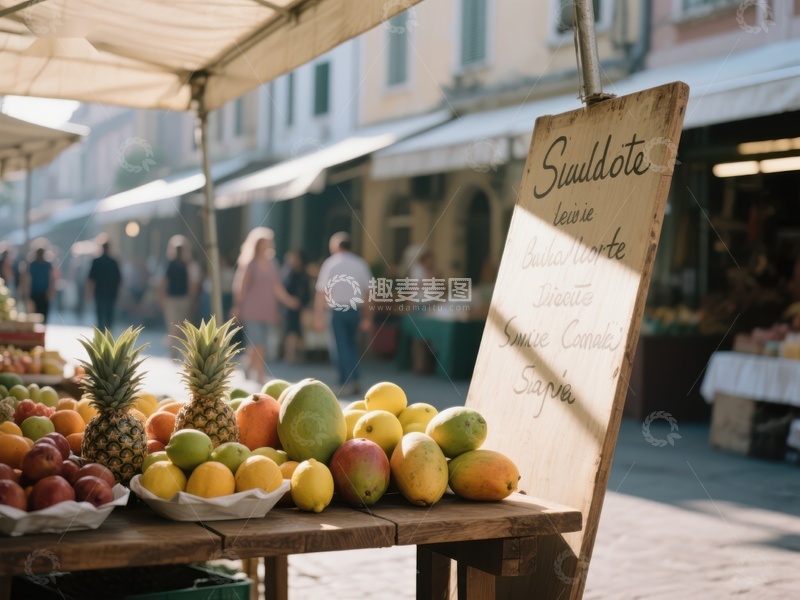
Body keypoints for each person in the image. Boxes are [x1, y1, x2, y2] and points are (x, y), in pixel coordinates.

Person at [232, 228, 299, 381]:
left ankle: (248, 363)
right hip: (251, 309)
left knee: (259, 343)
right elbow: (241, 286)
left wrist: (289, 301)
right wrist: (238, 306)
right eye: (265, 242)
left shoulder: (273, 263)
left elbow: (277, 287)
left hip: (267, 309)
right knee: (258, 343)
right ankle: (260, 375)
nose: (268, 244)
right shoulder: (250, 263)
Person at [314, 232, 373, 395]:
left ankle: (346, 381)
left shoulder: (330, 264)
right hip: (355, 310)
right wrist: (368, 317)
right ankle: (354, 379)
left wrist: (318, 316)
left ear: (335, 246)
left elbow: (321, 292)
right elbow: (368, 292)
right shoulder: (360, 263)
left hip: (337, 310)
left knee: (340, 347)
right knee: (351, 346)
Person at [159, 236, 200, 356]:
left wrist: (192, 300)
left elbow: (193, 284)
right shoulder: (168, 264)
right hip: (171, 299)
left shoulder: (190, 265)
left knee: (183, 326)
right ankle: (173, 350)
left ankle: (181, 350)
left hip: (184, 299)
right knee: (173, 325)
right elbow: (163, 281)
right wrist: (161, 297)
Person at [87, 239, 122, 331]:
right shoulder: (113, 262)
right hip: (111, 292)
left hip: (100, 291)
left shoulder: (96, 261)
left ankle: (101, 330)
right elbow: (119, 279)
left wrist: (89, 293)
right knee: (109, 312)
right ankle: (108, 330)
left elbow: (91, 279)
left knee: (100, 312)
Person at [282, 250, 310, 364]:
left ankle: (295, 354)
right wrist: (290, 301)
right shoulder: (287, 273)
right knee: (292, 331)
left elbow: (306, 292)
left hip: (300, 307)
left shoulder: (302, 273)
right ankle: (290, 355)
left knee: (298, 331)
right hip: (290, 307)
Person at [25, 246, 55, 323]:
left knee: (44, 314)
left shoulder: (48, 265)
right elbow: (27, 280)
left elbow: (52, 279)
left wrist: (51, 291)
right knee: (34, 315)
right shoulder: (32, 265)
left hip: (44, 293)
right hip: (34, 293)